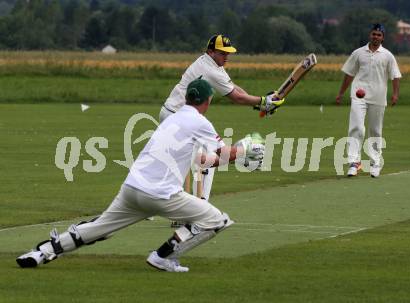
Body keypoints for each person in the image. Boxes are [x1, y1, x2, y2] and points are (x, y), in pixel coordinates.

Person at [16, 79, 265, 272]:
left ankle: (41, 252)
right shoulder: (200, 123)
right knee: (217, 220)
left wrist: (238, 153)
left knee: (98, 229)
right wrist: (246, 148)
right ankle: (162, 257)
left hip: (133, 189)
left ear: (187, 97)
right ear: (208, 101)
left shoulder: (173, 119)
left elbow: (204, 160)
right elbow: (223, 153)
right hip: (161, 194)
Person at [160, 34, 284, 201]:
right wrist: (263, 102)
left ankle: (173, 203)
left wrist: (260, 103)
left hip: (172, 114)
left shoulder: (211, 63)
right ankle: (198, 207)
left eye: (228, 53)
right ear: (211, 52)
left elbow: (233, 87)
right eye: (222, 53)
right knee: (208, 159)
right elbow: (236, 97)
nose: (226, 57)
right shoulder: (211, 70)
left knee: (195, 161)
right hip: (180, 117)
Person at [335, 24, 401, 178]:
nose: (375, 37)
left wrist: (395, 94)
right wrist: (341, 93)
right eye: (373, 34)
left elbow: (395, 76)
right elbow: (349, 74)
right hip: (359, 96)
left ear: (383, 37)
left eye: (379, 35)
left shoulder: (387, 55)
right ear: (369, 35)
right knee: (356, 127)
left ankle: (375, 162)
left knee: (375, 130)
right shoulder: (358, 53)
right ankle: (353, 162)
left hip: (378, 97)